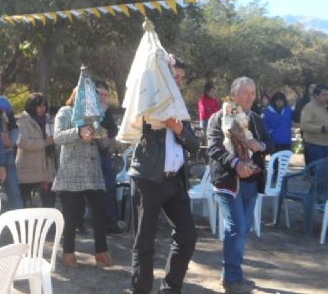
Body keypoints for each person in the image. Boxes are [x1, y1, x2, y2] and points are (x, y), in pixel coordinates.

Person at [129, 57, 199, 294]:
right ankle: (140, 290)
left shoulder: (181, 109)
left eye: (181, 78)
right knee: (144, 241)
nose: (178, 82)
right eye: (174, 77)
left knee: (188, 234)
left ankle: (170, 289)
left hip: (174, 181)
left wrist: (178, 127)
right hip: (147, 180)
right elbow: (135, 126)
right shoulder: (148, 103)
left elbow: (194, 145)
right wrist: (159, 115)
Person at [208, 76, 273, 294]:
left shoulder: (255, 118)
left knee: (243, 229)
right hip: (228, 182)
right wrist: (236, 164)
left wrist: (260, 144)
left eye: (253, 93)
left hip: (251, 182)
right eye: (245, 93)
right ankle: (232, 278)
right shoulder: (218, 118)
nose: (250, 97)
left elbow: (270, 143)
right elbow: (214, 149)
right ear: (233, 94)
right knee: (236, 228)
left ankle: (231, 273)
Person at [53, 88, 114, 268]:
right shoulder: (65, 112)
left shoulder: (95, 115)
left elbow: (103, 143)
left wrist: (103, 134)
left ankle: (101, 252)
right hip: (71, 172)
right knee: (72, 215)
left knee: (99, 213)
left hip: (93, 172)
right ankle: (68, 253)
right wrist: (78, 131)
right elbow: (57, 137)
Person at [0, 69, 23, 210]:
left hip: (7, 152)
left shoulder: (4, 103)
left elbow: (14, 127)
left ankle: (18, 223)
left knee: (14, 190)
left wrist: (12, 141)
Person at [16, 93, 56, 208]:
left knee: (48, 204)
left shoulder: (49, 120)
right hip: (27, 170)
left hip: (46, 170)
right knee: (26, 205)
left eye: (44, 106)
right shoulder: (22, 121)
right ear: (31, 106)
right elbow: (23, 142)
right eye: (38, 106)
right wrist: (46, 142)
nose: (41, 109)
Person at [96, 79, 123, 234]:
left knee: (110, 186)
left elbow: (113, 130)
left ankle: (111, 222)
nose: (103, 98)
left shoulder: (106, 110)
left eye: (105, 95)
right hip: (91, 154)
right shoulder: (89, 109)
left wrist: (104, 114)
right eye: (100, 94)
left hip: (104, 152)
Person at [301, 84, 328, 165]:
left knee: (323, 173)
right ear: (316, 95)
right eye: (324, 95)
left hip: (325, 144)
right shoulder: (309, 107)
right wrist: (322, 129)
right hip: (314, 146)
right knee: (316, 174)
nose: (327, 97)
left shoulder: (326, 106)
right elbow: (304, 126)